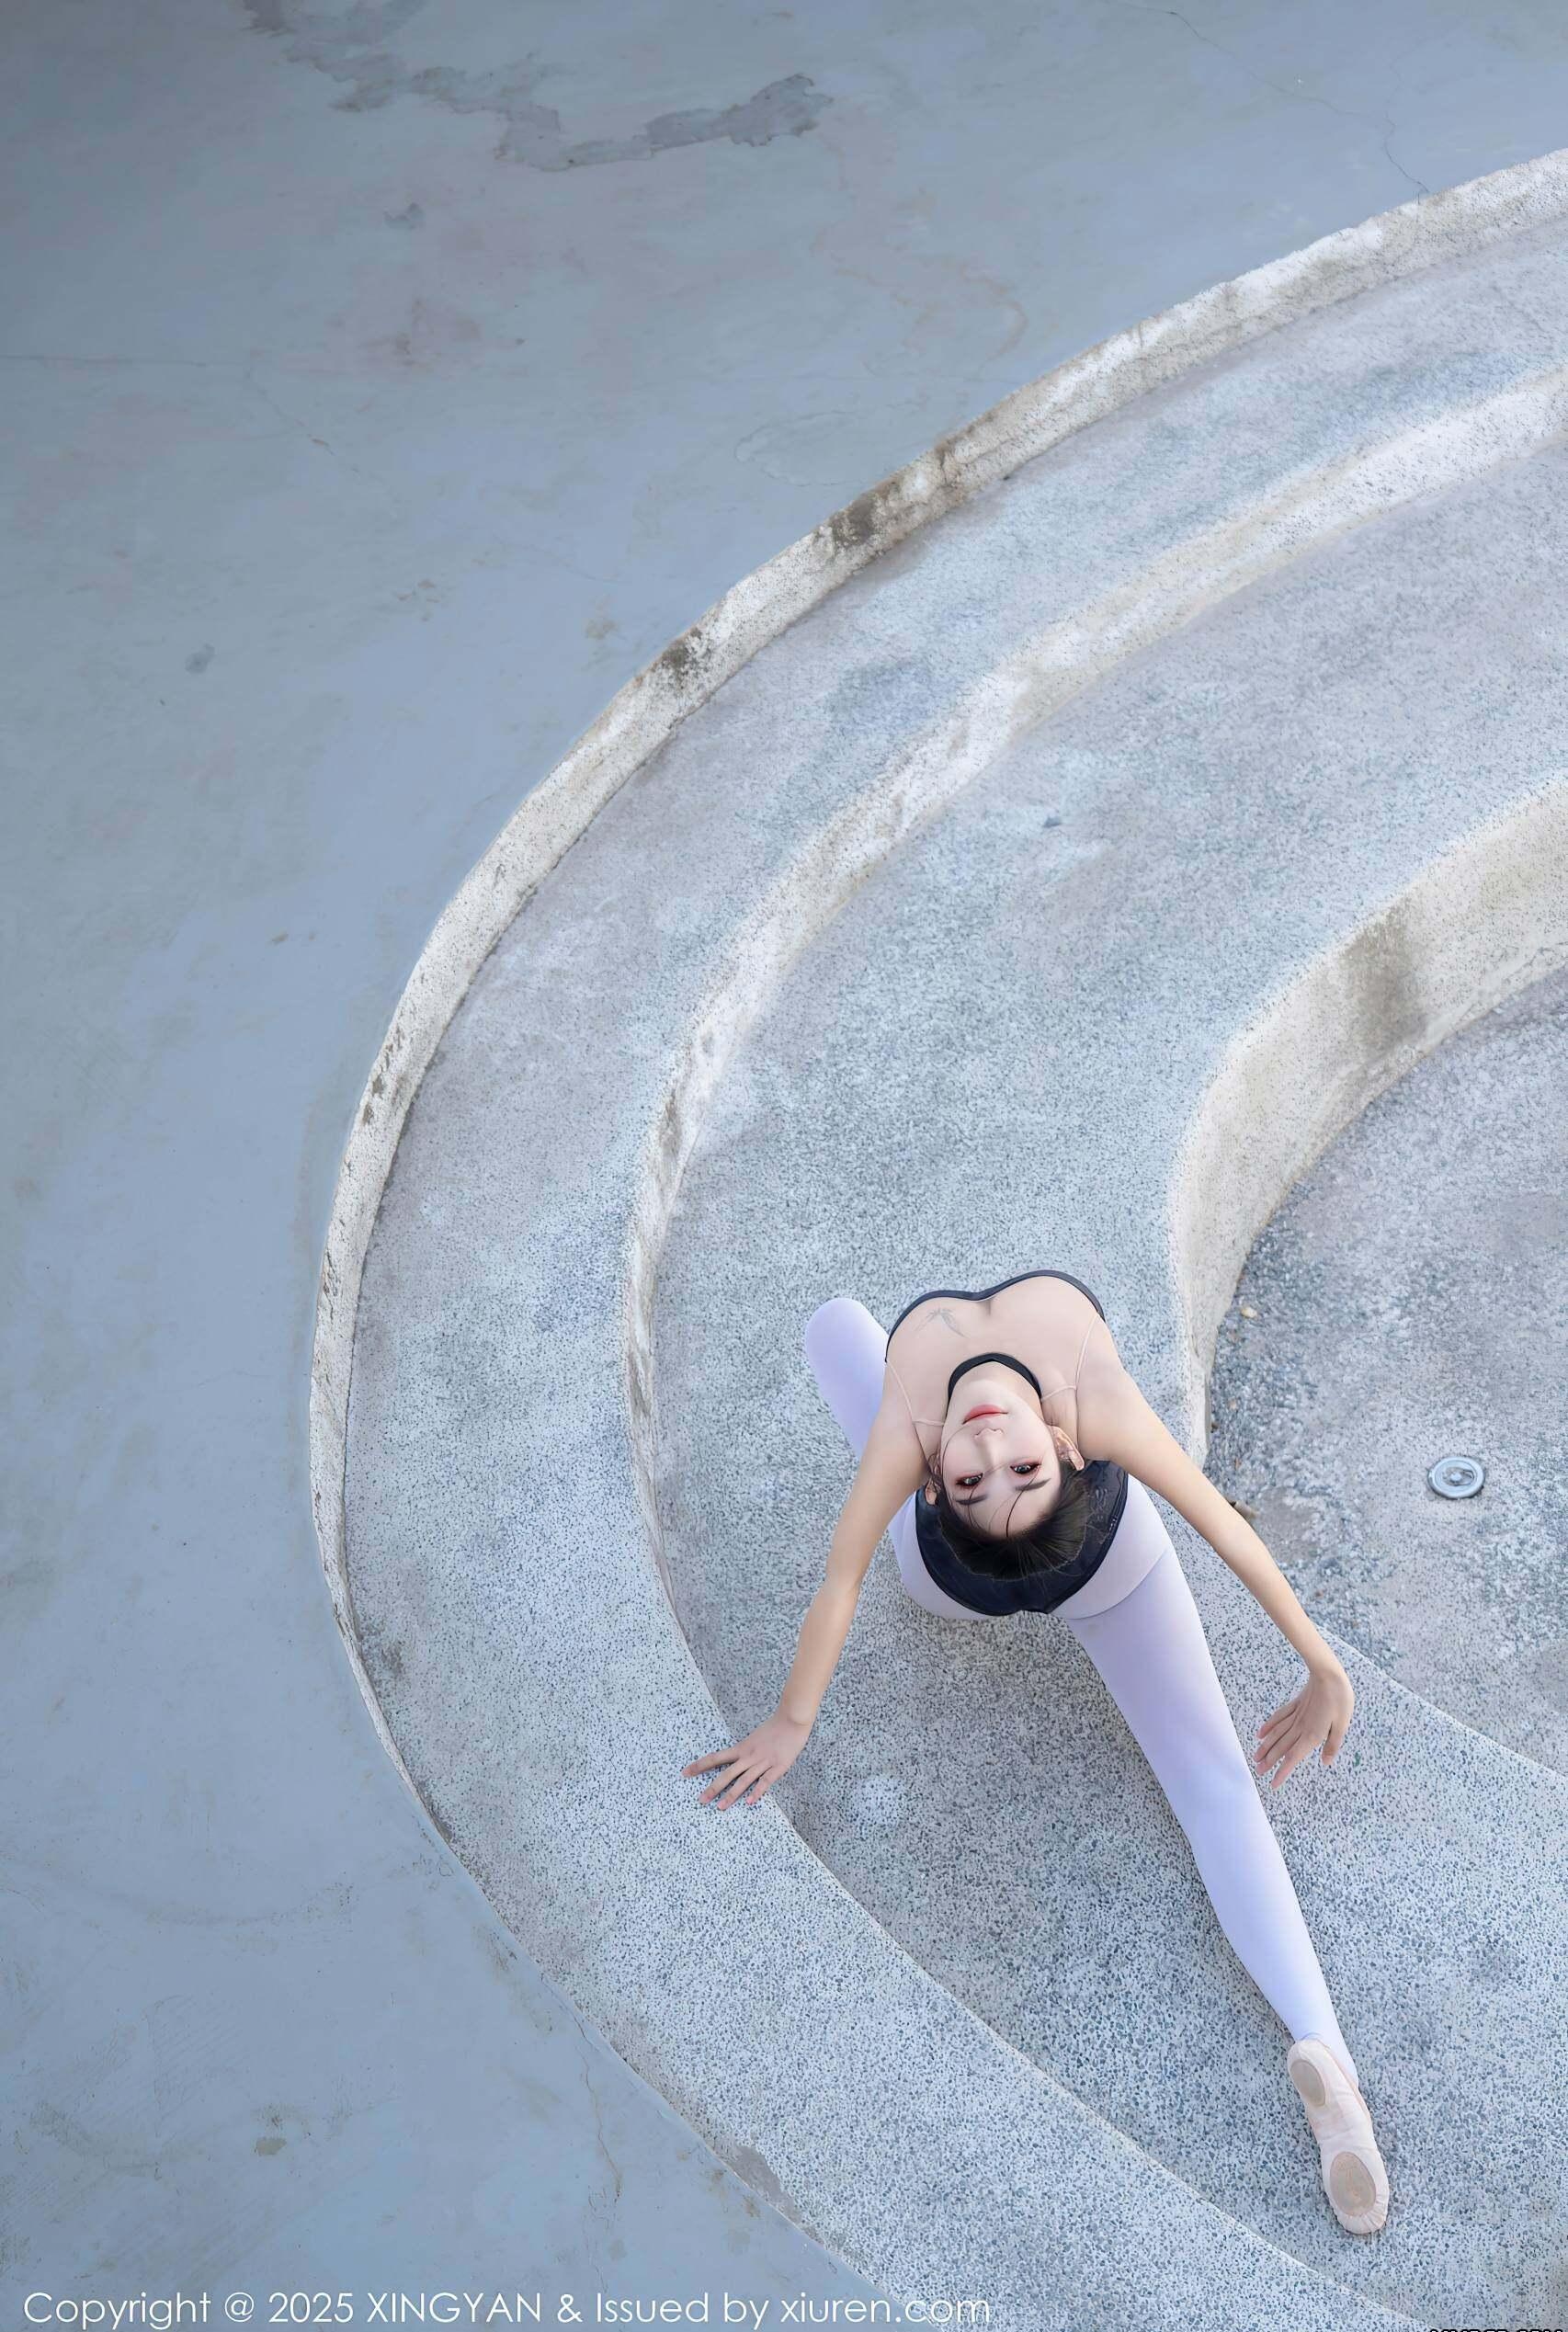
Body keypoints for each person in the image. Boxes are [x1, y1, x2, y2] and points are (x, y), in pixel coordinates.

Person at [680, 1268, 1391, 2236]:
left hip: (966, 1575)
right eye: (983, 1475)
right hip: (1067, 1566)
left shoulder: (925, 1428)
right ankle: (1325, 2048)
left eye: (999, 1471)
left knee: (833, 1322)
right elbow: (1212, 1518)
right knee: (1214, 1787)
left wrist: (792, 1721)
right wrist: (1316, 1661)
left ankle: (1331, 2081)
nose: (986, 1449)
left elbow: (843, 1577)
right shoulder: (1077, 1396)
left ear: (1059, 1448)